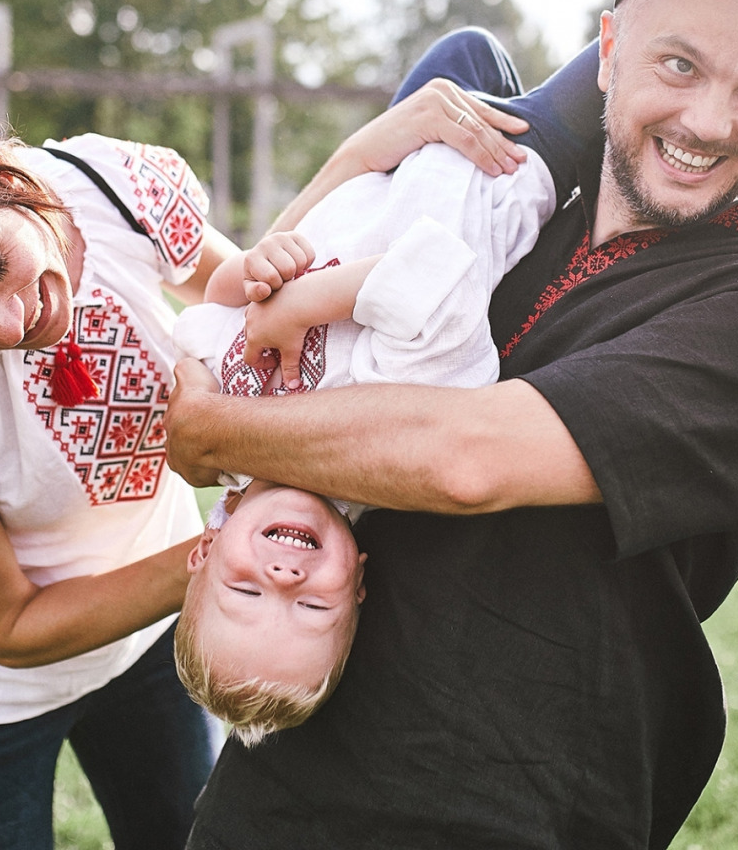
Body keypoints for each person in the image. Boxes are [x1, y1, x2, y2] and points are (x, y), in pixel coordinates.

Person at [165, 0, 738, 849]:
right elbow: (276, 318)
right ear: (609, 48)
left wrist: (217, 429)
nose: (712, 121)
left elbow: (465, 461)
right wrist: (363, 152)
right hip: (279, 796)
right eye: (679, 62)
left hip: (513, 811)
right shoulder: (515, 212)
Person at [0, 70, 528, 850]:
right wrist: (222, 561)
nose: (6, 324)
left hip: (150, 646)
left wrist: (353, 159)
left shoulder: (108, 187)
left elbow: (246, 305)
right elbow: (9, 627)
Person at [170, 96, 558, 741]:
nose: (284, 579)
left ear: (206, 549)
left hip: (396, 159)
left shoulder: (226, 426)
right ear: (356, 587)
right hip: (496, 162)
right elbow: (440, 281)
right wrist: (299, 305)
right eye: (312, 606)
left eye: (247, 596)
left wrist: (253, 271)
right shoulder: (383, 449)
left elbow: (213, 308)